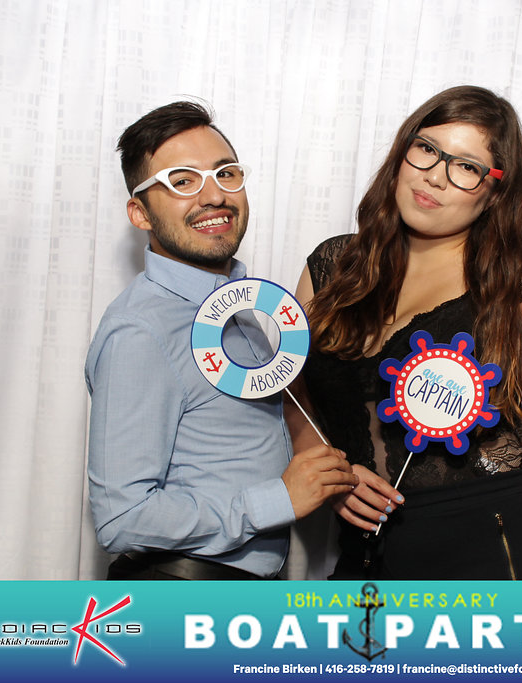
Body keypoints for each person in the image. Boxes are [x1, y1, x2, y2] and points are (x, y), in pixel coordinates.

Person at [288, 86, 522, 580]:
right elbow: (293, 391)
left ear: (495, 193)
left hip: (492, 551)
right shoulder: (332, 269)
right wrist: (327, 472)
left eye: (467, 167)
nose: (435, 175)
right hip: (367, 551)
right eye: (427, 149)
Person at [86, 100, 357, 580]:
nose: (214, 195)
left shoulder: (237, 308)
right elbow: (122, 519)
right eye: (182, 181)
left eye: (226, 174)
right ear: (140, 213)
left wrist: (334, 476)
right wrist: (276, 500)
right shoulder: (140, 331)